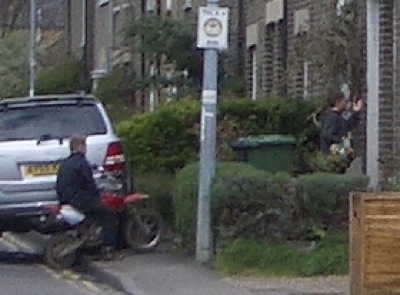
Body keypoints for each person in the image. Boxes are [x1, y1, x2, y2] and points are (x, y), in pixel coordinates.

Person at [56, 134, 120, 260]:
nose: (86, 148)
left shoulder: (65, 163)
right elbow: (89, 184)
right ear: (80, 147)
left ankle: (91, 237)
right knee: (109, 215)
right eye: (84, 145)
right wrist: (98, 195)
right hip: (79, 199)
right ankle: (108, 250)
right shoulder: (81, 163)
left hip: (66, 199)